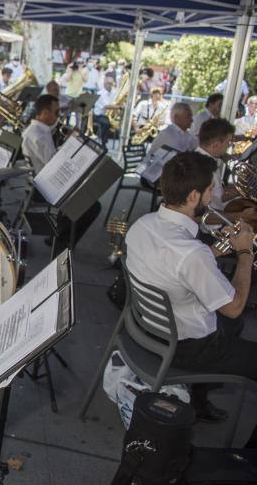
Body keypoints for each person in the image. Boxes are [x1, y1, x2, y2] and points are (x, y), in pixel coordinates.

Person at [125, 150, 257, 422]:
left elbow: (172, 263)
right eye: (210, 189)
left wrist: (216, 250)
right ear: (194, 196)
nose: (214, 195)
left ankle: (199, 401)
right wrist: (245, 253)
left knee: (234, 326)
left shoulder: (142, 224)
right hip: (187, 347)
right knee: (235, 319)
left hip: (148, 326)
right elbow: (234, 307)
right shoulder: (192, 254)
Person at [21, 94, 101, 251]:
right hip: (45, 187)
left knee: (85, 195)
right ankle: (63, 241)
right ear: (44, 113)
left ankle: (58, 234)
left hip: (45, 182)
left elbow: (51, 158)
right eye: (56, 112)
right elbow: (54, 163)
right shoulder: (38, 135)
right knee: (92, 206)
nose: (59, 116)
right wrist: (70, 143)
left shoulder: (39, 130)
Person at [93, 77, 117, 147]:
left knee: (112, 122)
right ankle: (103, 142)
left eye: (111, 84)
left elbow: (116, 101)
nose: (110, 85)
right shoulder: (100, 93)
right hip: (99, 115)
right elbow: (106, 106)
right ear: (104, 84)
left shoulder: (113, 93)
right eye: (109, 83)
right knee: (106, 123)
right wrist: (119, 107)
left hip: (108, 115)